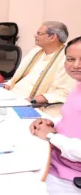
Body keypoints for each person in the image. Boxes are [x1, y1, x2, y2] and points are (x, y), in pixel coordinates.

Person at [29, 36, 81, 194]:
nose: (76, 65)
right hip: (55, 159)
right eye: (71, 59)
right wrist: (49, 122)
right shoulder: (78, 86)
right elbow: (71, 117)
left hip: (70, 176)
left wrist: (51, 136)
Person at [4, 21, 76, 117]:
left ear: (52, 37)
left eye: (39, 33)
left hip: (33, 105)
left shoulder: (66, 59)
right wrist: (6, 85)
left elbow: (64, 92)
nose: (35, 35)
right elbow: (19, 77)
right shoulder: (36, 52)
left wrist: (32, 100)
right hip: (11, 97)